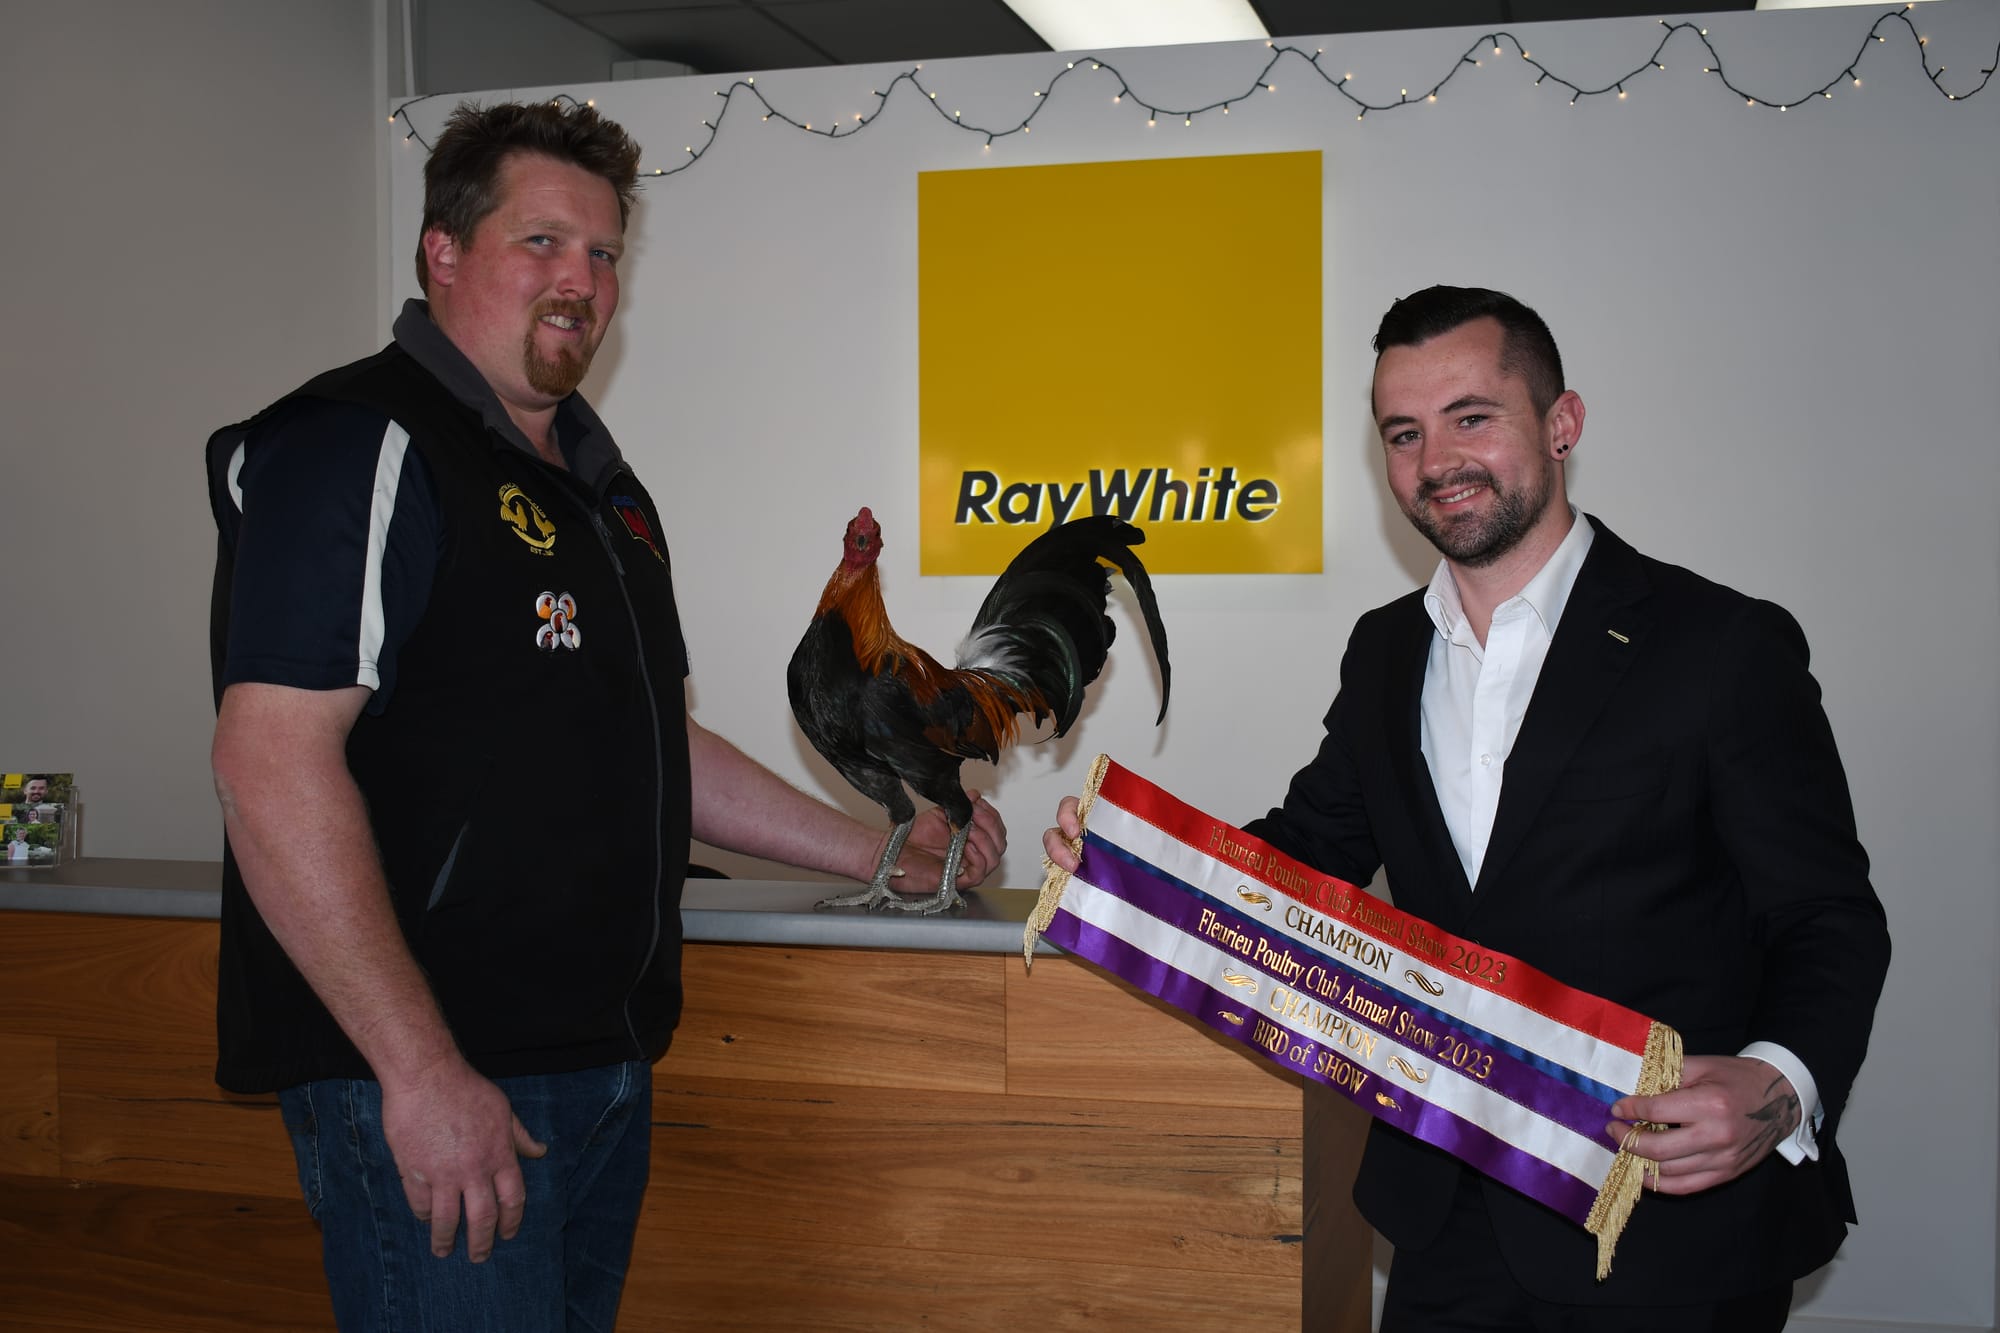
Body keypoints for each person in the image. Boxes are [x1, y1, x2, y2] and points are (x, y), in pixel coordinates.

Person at [206, 100, 1005, 1331]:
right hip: (440, 1078)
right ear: (443, 251)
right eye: (540, 243)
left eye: (602, 252)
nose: (579, 280)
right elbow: (269, 763)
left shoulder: (603, 494)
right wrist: (419, 1071)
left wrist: (878, 850)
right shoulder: (358, 443)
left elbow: (652, 745)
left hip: (597, 1066)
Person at [1045, 286, 1888, 1329]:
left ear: (1560, 423)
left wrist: (1773, 1089)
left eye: (1470, 416)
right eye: (1402, 432)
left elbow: (1827, 918)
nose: (1434, 458)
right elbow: (1312, 849)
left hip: (1665, 1228)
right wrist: (1135, 862)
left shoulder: (1721, 646)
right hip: (1438, 1218)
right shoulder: (1383, 648)